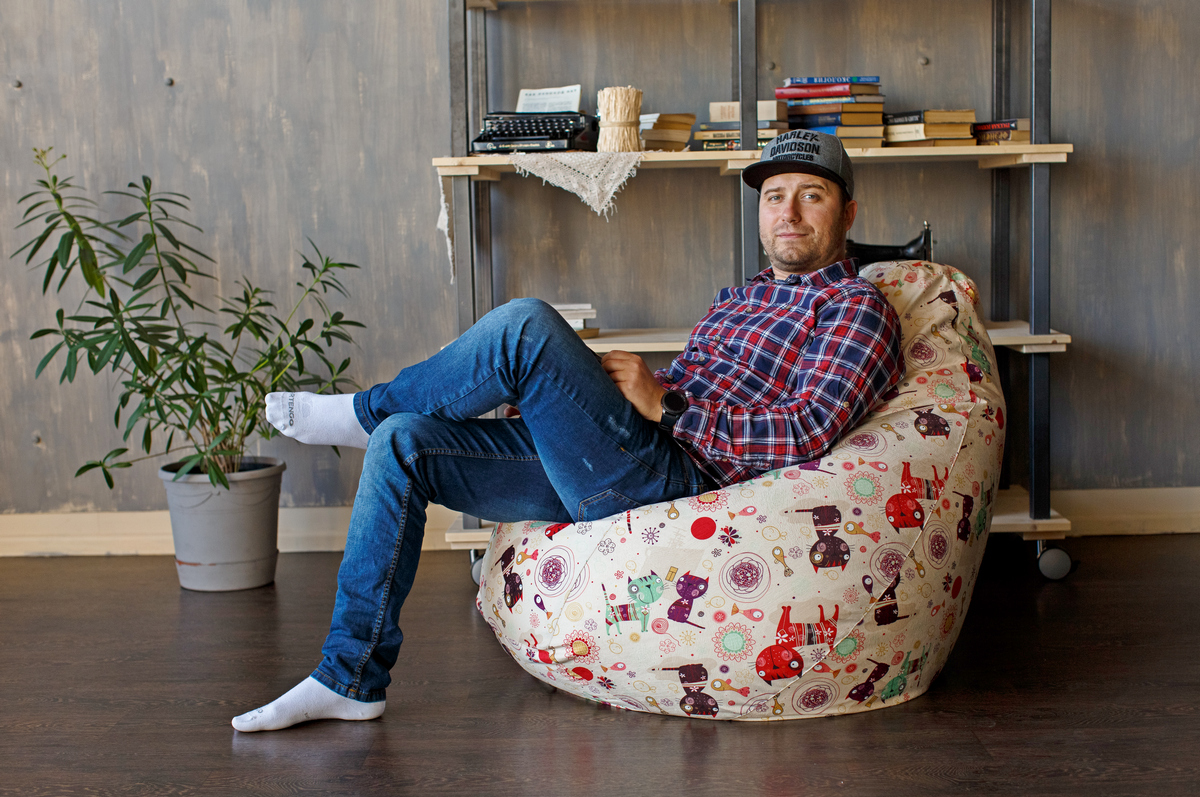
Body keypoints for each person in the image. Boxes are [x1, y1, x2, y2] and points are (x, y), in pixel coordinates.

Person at [231, 129, 904, 732]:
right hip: (624, 454)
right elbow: (685, 382)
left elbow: (807, 430)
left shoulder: (856, 307)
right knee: (403, 442)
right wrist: (570, 401)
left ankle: (361, 411)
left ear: (847, 213)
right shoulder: (739, 298)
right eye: (775, 196)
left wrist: (667, 406)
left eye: (811, 196)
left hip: (677, 477)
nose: (788, 213)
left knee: (525, 325)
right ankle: (349, 678)